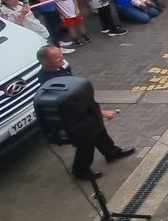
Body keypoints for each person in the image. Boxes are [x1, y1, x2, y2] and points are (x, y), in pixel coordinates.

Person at [36, 45, 135, 180]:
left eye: (61, 55)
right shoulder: (49, 81)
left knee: (99, 130)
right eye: (57, 57)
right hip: (73, 117)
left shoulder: (59, 68)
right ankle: (81, 170)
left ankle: (111, 152)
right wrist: (102, 113)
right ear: (45, 62)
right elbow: (73, 103)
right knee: (86, 141)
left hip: (84, 110)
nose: (62, 58)